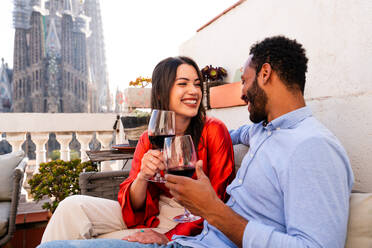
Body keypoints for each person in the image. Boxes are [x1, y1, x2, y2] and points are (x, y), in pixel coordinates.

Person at [39, 36, 354, 248]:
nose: (241, 92)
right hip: (194, 239)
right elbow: (236, 135)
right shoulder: (264, 131)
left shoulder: (311, 147)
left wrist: (213, 212)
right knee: (64, 225)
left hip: (193, 235)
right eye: (182, 84)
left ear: (265, 74)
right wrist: (154, 165)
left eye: (243, 81)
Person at [40, 56, 235, 243]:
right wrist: (142, 176)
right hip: (151, 212)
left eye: (197, 84)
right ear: (161, 93)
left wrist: (169, 236)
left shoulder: (214, 130)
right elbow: (134, 204)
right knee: (70, 207)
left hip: (190, 218)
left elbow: (219, 203)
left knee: (81, 240)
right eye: (183, 84)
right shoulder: (149, 138)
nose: (194, 91)